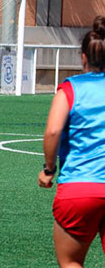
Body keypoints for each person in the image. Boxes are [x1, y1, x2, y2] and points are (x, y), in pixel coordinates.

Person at [39, 15, 105, 267]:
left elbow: (53, 132)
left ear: (84, 57)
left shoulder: (69, 88)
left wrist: (48, 169)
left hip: (80, 186)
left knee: (71, 262)